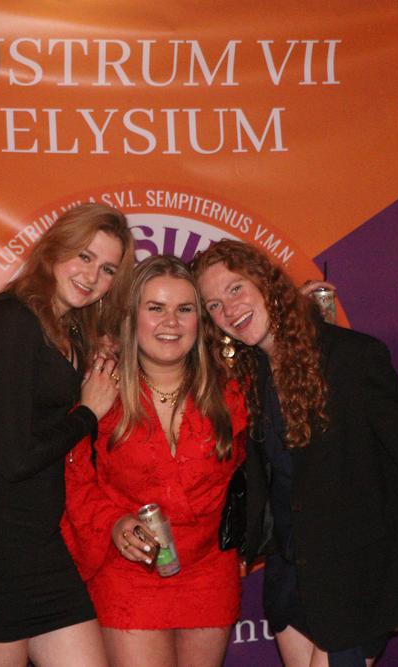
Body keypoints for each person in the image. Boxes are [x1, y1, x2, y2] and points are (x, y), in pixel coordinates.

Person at [191, 240, 398, 667]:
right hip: (292, 577)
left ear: (265, 282)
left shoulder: (352, 358)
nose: (229, 309)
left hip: (355, 579)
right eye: (214, 305)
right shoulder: (248, 374)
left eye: (236, 288)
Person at [0, 203, 135, 667]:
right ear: (55, 249)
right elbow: (16, 459)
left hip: (38, 547)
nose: (92, 276)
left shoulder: (68, 329)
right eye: (84, 256)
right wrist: (88, 412)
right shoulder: (9, 319)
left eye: (107, 269)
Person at [61, 255, 247, 667]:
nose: (171, 322)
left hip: (209, 572)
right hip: (130, 571)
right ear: (131, 317)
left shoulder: (231, 389)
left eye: (185, 309)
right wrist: (113, 523)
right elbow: (73, 479)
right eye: (156, 308)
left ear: (201, 319)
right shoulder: (100, 388)